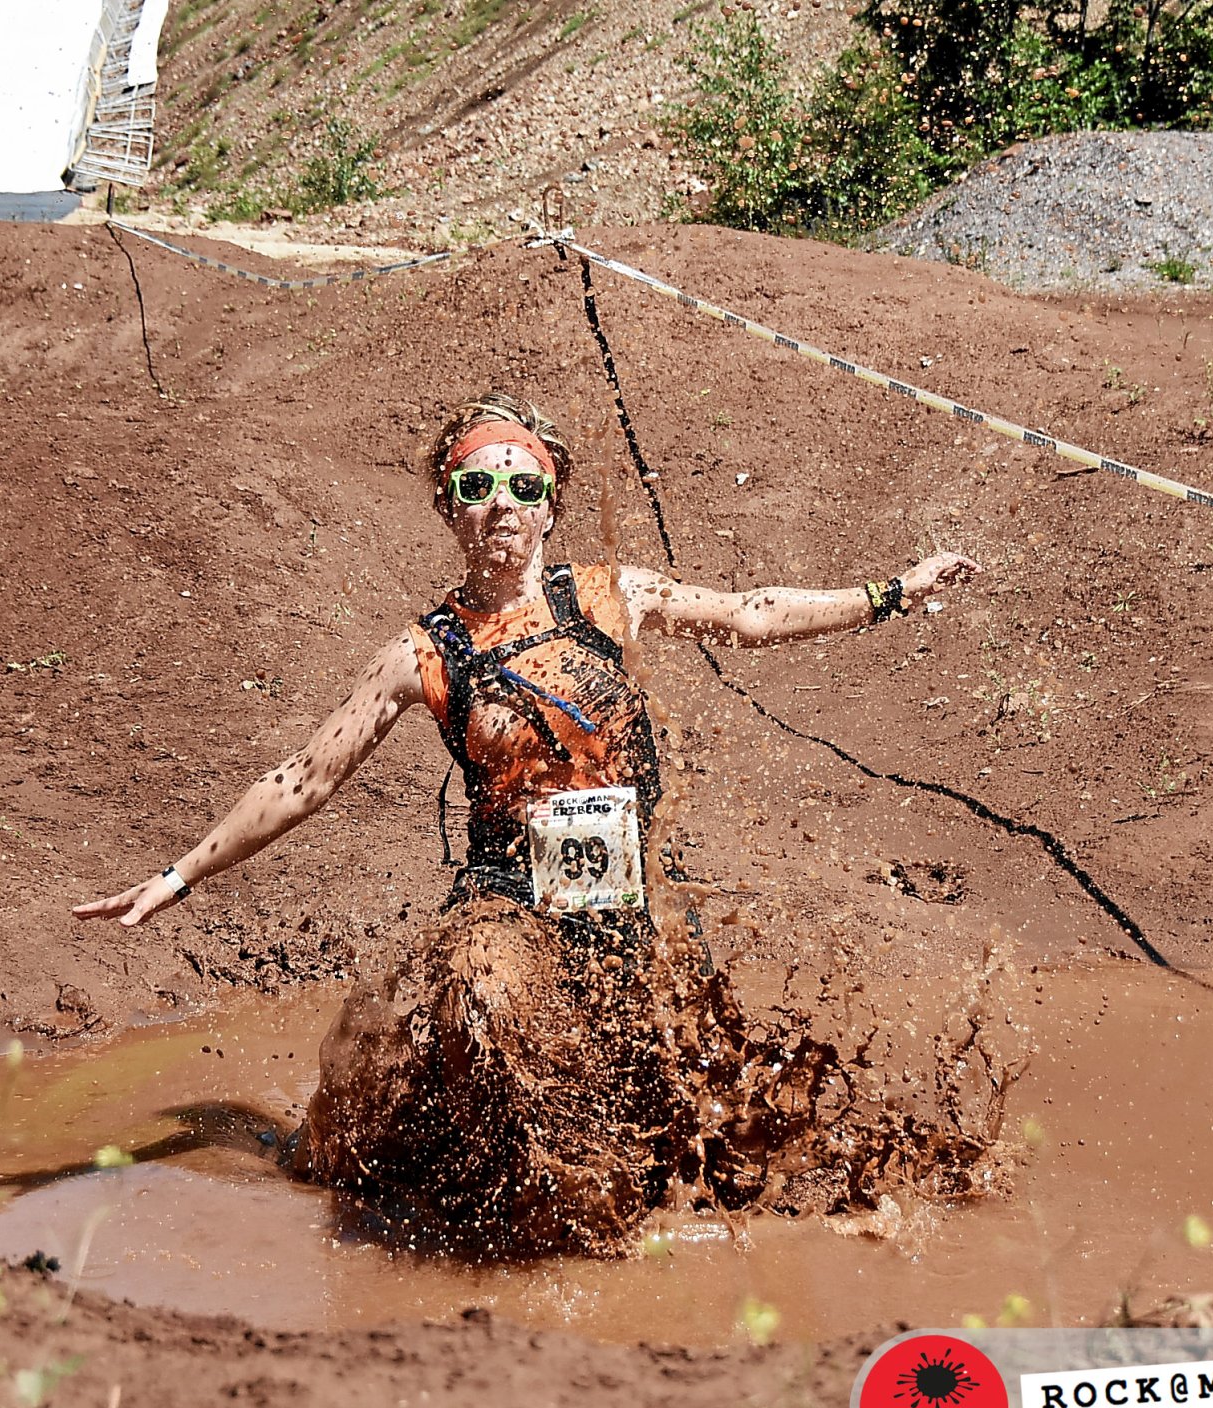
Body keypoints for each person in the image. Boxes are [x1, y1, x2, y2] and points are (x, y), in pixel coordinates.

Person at [74, 393, 979, 1251]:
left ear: (550, 503)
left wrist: (889, 592)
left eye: (522, 483)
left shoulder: (609, 596)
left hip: (625, 891)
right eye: (477, 485)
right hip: (505, 897)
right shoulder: (421, 652)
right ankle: (551, 1218)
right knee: (484, 986)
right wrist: (177, 876)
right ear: (447, 507)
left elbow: (752, 611)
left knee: (707, 1098)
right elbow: (304, 778)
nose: (500, 504)